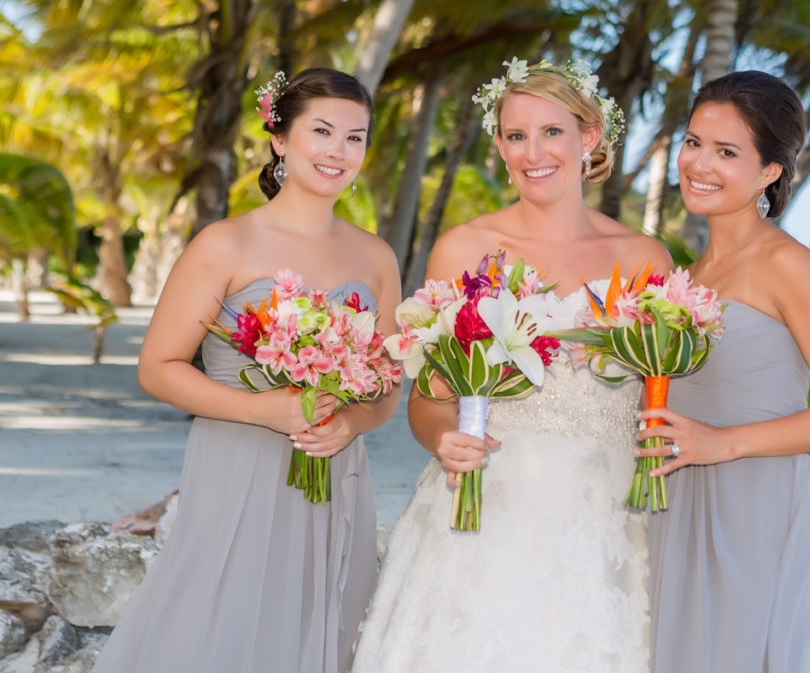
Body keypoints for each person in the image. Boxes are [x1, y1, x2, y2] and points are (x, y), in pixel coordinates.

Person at [352, 59, 674, 672]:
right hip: (485, 505)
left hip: (608, 516)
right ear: (499, 145)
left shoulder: (642, 257)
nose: (534, 152)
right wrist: (444, 439)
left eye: (553, 132)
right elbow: (431, 398)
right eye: (516, 135)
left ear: (590, 137)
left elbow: (674, 389)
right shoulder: (465, 249)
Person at [93, 67, 401, 673]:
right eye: (322, 131)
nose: (339, 151)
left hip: (338, 475)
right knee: (216, 624)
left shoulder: (376, 256)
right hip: (237, 467)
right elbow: (158, 367)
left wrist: (355, 421)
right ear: (280, 138)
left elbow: (388, 386)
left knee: (327, 624)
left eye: (356, 137)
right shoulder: (224, 245)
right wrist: (265, 408)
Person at [642, 70, 810, 672]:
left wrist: (726, 442)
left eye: (727, 152)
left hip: (754, 507)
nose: (699, 163)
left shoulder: (787, 264)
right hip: (673, 500)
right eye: (694, 142)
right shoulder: (684, 279)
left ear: (770, 171)